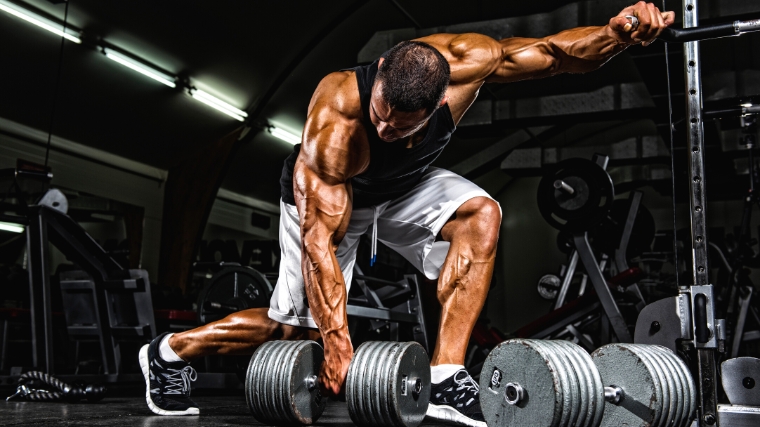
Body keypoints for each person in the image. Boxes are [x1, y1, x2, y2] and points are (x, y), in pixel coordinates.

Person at [139, 2, 674, 425]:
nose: (389, 129)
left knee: (482, 214)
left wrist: (618, 35)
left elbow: (556, 54)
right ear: (379, 75)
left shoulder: (471, 61)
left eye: (404, 126)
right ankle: (168, 352)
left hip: (402, 187)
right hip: (330, 201)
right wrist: (337, 341)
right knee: (293, 334)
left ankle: (446, 376)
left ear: (444, 99)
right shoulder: (337, 122)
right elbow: (319, 241)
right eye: (382, 116)